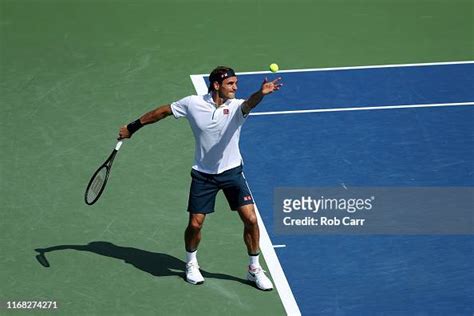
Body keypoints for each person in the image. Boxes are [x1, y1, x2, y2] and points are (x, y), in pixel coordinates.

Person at [118, 66, 282, 291]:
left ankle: (254, 268)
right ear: (216, 85)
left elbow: (249, 103)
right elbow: (163, 111)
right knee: (195, 224)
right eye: (231, 84)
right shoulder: (192, 104)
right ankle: (191, 263)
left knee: (251, 219)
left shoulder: (236, 107)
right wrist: (132, 127)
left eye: (236, 83)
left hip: (232, 173)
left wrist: (260, 93)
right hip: (203, 175)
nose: (235, 88)